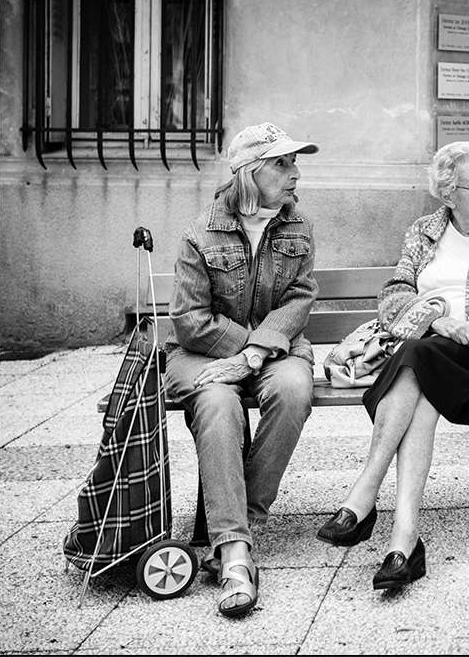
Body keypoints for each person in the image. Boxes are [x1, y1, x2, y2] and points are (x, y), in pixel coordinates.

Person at [316, 141, 469, 591]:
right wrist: (439, 321)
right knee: (423, 374)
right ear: (448, 194)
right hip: (431, 355)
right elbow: (393, 298)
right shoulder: (423, 232)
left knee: (419, 356)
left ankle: (364, 494)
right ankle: (403, 543)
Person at [164, 123, 320, 617]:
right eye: (283, 163)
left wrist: (253, 355)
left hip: (273, 349)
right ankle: (234, 553)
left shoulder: (299, 226)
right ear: (250, 173)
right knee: (217, 402)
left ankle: (238, 525)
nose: (295, 173)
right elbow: (189, 319)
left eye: (294, 163)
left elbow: (300, 298)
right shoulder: (201, 231)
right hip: (204, 353)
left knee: (295, 389)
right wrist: (238, 353)